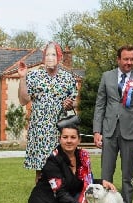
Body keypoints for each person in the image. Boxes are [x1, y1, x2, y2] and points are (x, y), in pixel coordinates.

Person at [18, 124, 117, 203]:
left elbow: (84, 181)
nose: (69, 141)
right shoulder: (52, 161)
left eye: (73, 137)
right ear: (59, 139)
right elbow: (60, 193)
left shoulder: (81, 156)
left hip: (64, 200)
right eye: (65, 137)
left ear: (79, 139)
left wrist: (101, 182)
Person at [93, 45, 133, 203]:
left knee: (128, 173)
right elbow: (100, 105)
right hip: (109, 130)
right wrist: (97, 131)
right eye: (125, 59)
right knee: (106, 172)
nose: (129, 62)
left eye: (132, 59)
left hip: (131, 131)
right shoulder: (106, 76)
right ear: (118, 59)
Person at [18, 41, 77, 183]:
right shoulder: (33, 76)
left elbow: (74, 101)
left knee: (62, 165)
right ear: (43, 57)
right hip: (40, 129)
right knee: (41, 168)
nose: (50, 57)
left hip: (60, 129)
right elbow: (23, 100)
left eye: (53, 54)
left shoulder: (68, 78)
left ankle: (61, 196)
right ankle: (41, 199)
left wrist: (70, 104)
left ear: (60, 57)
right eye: (47, 54)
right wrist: (22, 77)